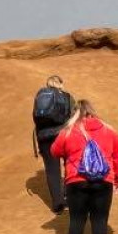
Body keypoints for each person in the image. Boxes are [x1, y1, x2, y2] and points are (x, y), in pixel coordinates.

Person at [50, 100, 118, 234]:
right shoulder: (109, 130)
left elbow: (54, 151)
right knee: (100, 219)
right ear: (93, 112)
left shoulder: (68, 132)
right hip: (103, 181)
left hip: (75, 181)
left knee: (76, 219)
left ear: (75, 114)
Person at [32, 75, 76, 214]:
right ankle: (70, 196)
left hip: (44, 137)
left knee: (52, 170)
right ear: (60, 84)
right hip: (63, 136)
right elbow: (73, 116)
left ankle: (58, 204)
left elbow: (36, 118)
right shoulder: (67, 97)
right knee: (70, 164)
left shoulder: (40, 96)